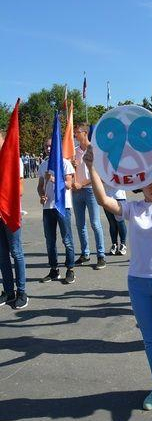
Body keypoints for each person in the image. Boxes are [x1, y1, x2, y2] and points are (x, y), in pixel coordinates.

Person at [84, 144, 152, 414]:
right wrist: (90, 167)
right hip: (138, 283)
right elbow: (103, 201)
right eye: (150, 184)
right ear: (141, 185)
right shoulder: (133, 209)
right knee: (150, 339)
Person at [37, 138, 76, 284]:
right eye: (46, 146)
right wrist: (41, 195)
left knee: (67, 240)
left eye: (50, 146)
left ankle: (70, 269)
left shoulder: (64, 163)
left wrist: (53, 179)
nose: (48, 149)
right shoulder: (43, 165)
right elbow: (40, 185)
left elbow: (68, 184)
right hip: (48, 208)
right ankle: (54, 270)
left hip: (62, 206)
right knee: (50, 241)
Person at [71, 123, 106, 270]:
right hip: (76, 192)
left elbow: (99, 175)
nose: (75, 136)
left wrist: (83, 183)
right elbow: (70, 172)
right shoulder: (75, 151)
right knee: (80, 225)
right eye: (74, 133)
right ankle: (85, 253)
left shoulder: (95, 150)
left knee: (95, 223)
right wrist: (72, 167)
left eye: (77, 133)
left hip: (91, 190)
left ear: (85, 133)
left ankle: (101, 255)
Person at [0, 130, 28, 309]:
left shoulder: (14, 161)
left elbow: (20, 190)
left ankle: (22, 292)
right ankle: (8, 291)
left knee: (16, 252)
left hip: (10, 214)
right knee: (2, 256)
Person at [103, 184, 128, 256]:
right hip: (107, 197)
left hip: (119, 197)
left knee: (120, 222)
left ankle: (123, 244)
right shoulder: (103, 172)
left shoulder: (121, 171)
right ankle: (114, 244)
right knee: (112, 223)